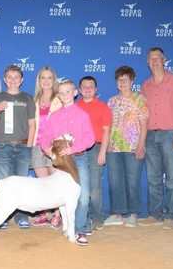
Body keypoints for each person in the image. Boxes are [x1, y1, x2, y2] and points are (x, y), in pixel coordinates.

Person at [139, 46, 173, 230]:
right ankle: (155, 214)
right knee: (153, 178)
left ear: (164, 60)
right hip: (150, 135)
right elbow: (142, 114)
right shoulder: (145, 86)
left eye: (157, 58)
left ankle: (171, 215)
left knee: (172, 178)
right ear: (147, 62)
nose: (154, 61)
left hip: (170, 134)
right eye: (151, 59)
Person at [40, 79, 95, 246]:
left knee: (83, 196)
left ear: (75, 93)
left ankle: (80, 229)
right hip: (61, 162)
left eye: (68, 92)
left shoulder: (82, 114)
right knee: (63, 195)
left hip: (78, 158)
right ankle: (70, 226)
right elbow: (46, 137)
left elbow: (90, 138)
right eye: (61, 92)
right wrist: (47, 149)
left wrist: (73, 148)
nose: (64, 95)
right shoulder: (54, 116)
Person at [0, 65, 36, 229]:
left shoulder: (27, 98)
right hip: (3, 146)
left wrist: (29, 146)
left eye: (16, 77)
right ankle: (3, 216)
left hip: (23, 146)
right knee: (4, 184)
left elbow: (32, 124)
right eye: (9, 77)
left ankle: (22, 216)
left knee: (21, 184)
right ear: (4, 79)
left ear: (21, 80)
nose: (13, 80)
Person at [104, 66, 149, 227]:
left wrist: (141, 145)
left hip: (133, 146)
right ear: (116, 83)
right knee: (115, 181)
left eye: (126, 79)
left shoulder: (139, 99)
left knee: (133, 180)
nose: (122, 83)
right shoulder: (111, 101)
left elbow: (144, 124)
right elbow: (107, 126)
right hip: (113, 148)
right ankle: (116, 214)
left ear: (132, 81)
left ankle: (133, 214)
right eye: (119, 80)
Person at [76, 76, 113, 232]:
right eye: (84, 86)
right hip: (78, 150)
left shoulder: (103, 107)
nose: (88, 89)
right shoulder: (75, 107)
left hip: (96, 148)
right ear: (79, 90)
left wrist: (103, 151)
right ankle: (81, 218)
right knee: (80, 188)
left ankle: (97, 217)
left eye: (91, 86)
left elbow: (106, 131)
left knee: (95, 187)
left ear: (96, 90)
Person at [30, 66, 63, 228]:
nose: (46, 81)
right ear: (39, 80)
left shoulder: (61, 98)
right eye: (43, 78)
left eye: (49, 78)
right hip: (37, 145)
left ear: (54, 80)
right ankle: (46, 213)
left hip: (54, 146)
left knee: (55, 182)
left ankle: (57, 214)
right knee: (42, 184)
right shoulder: (34, 99)